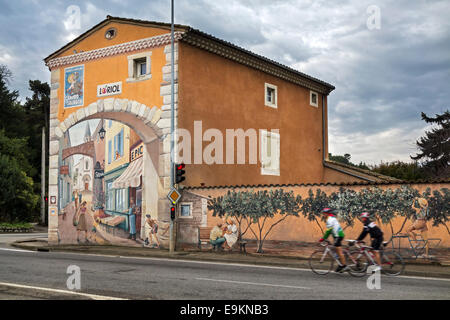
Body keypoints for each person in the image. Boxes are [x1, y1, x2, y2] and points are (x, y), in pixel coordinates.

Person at [319, 207, 348, 272]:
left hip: (338, 236)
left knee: (338, 250)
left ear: (327, 214)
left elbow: (328, 231)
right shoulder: (331, 218)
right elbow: (330, 230)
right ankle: (340, 264)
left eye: (324, 214)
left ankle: (344, 266)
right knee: (335, 249)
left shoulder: (330, 220)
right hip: (337, 236)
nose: (323, 215)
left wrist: (323, 238)